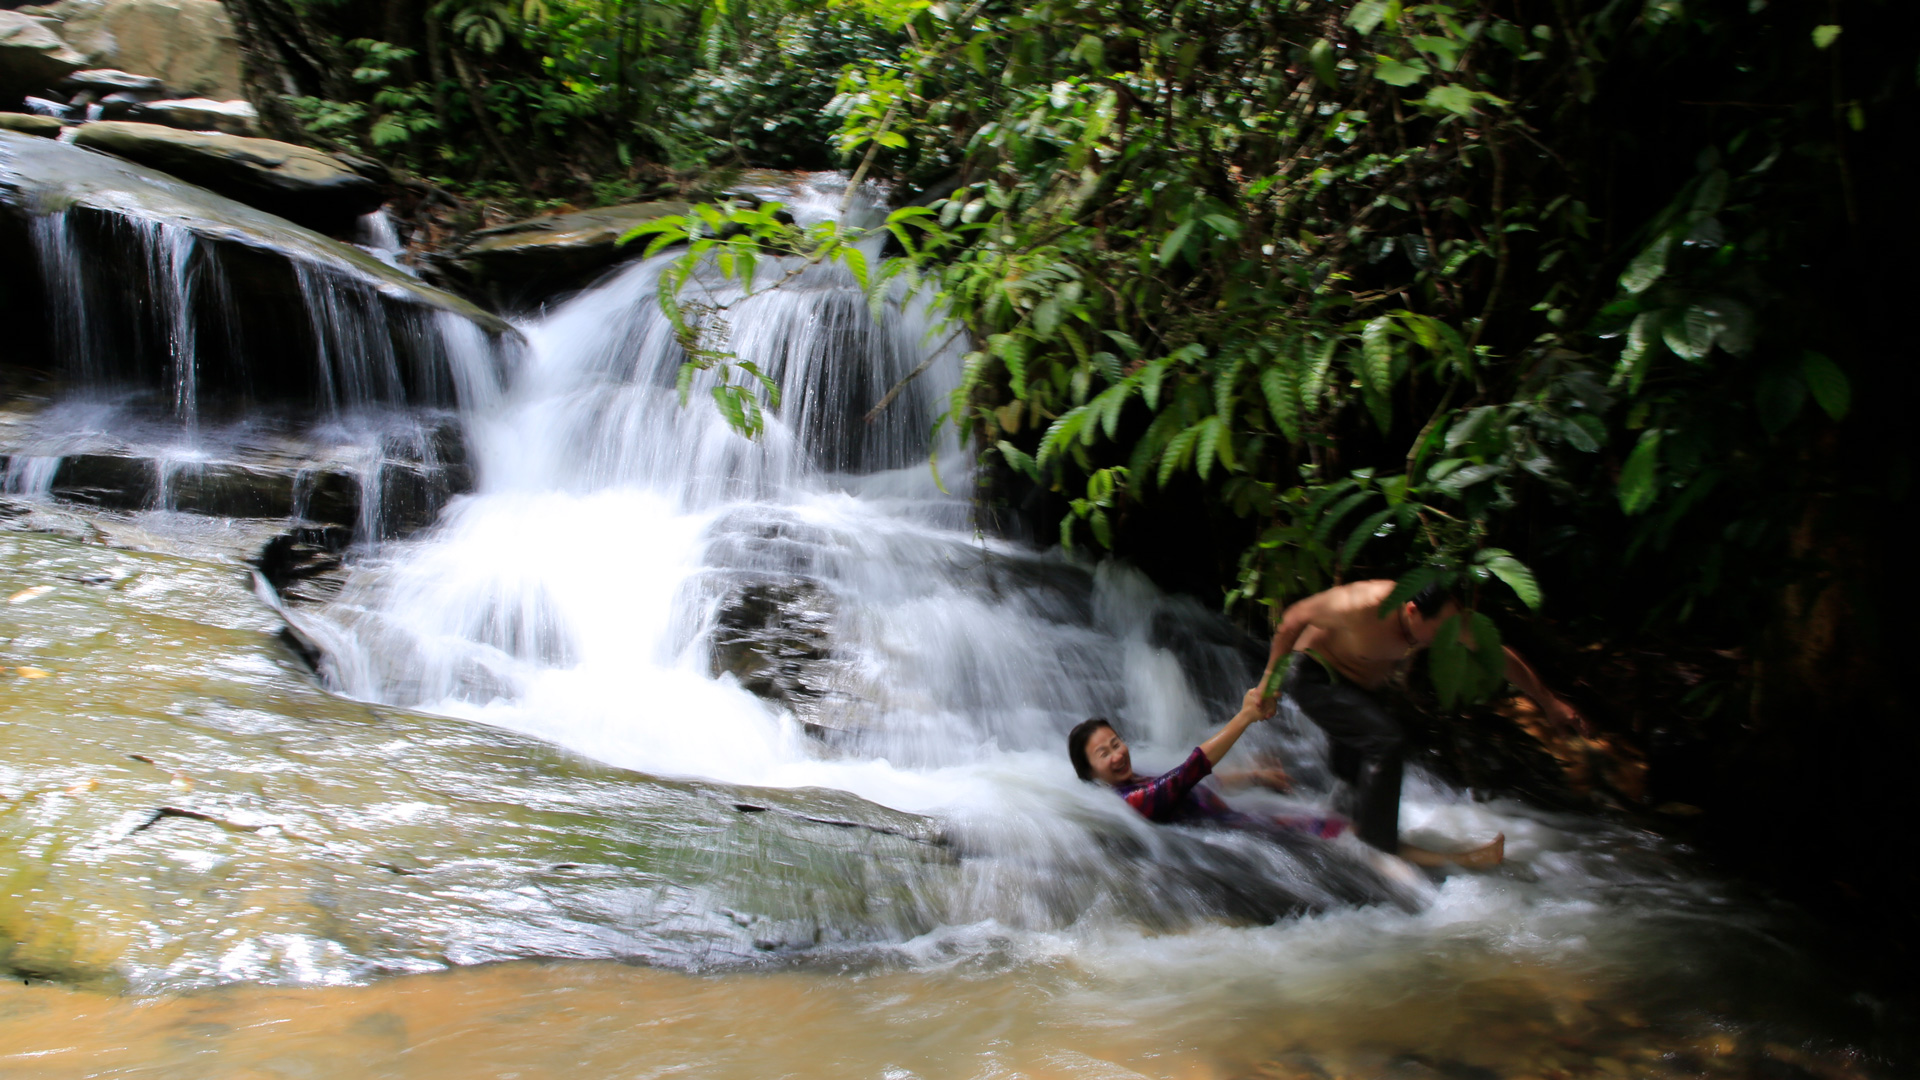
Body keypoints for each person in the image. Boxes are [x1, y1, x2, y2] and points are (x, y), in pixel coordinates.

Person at [1259, 578, 1586, 864]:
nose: (1447, 637)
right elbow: (1292, 620)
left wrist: (1550, 703)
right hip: (1315, 677)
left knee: (1354, 770)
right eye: (1441, 630)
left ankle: (1346, 835)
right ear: (1412, 610)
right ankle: (1376, 846)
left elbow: (1496, 655)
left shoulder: (1443, 618)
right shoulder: (1363, 604)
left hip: (1360, 689)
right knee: (1386, 740)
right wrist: (1268, 686)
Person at [1066, 686, 1346, 840]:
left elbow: (1201, 783)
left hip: (1244, 825)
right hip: (1245, 838)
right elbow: (1189, 773)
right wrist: (1245, 717)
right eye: (1104, 754)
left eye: (1116, 743)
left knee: (1345, 829)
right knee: (1342, 833)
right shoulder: (1134, 801)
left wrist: (1254, 776)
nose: (1117, 755)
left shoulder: (1134, 782)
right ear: (1089, 773)